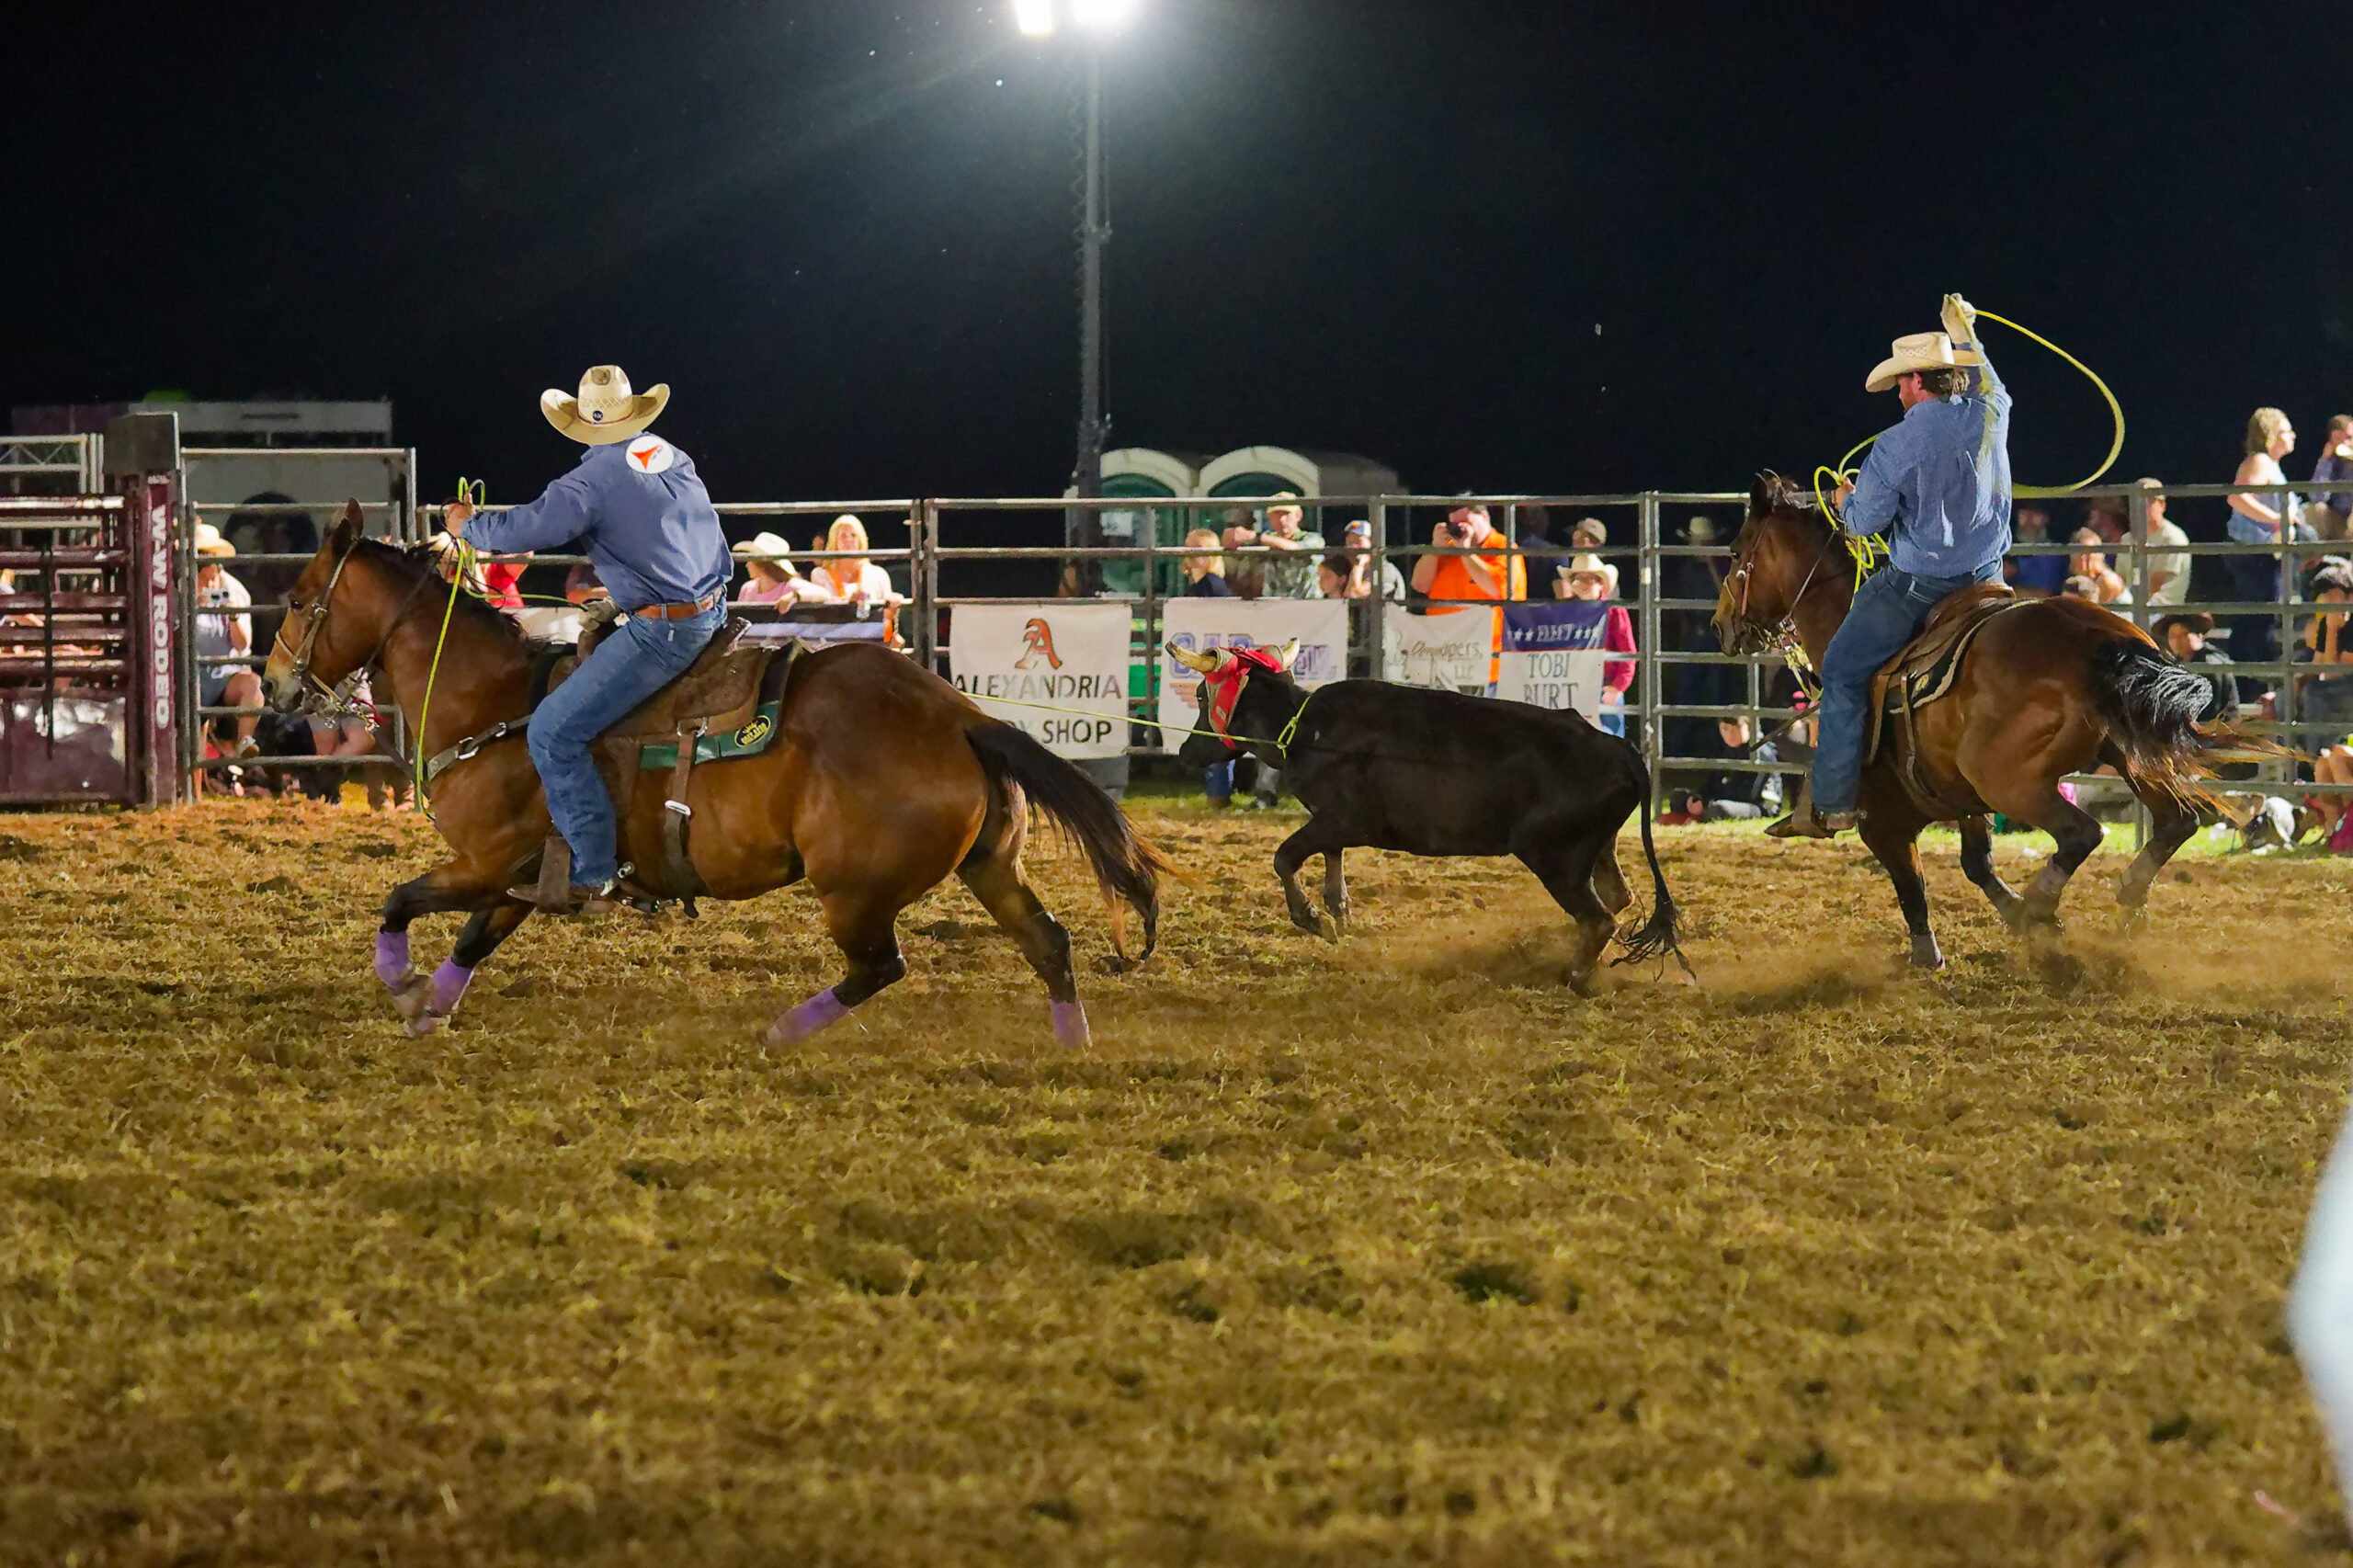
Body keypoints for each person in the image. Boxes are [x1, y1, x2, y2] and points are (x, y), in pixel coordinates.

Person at [446, 364, 731, 913]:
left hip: (665, 629)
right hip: (711, 607)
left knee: (552, 732)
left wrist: (466, 525)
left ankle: (596, 872)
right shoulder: (670, 455)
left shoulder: (591, 479)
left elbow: (526, 530)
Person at [1777, 293, 2011, 838]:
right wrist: (1965, 334)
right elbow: (1990, 381)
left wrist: (1842, 501)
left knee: (1840, 671)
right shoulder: (1990, 416)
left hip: (1918, 584)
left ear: (1915, 383)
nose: (1898, 393)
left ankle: (1831, 802)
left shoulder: (1894, 445)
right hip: (1986, 577)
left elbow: (1862, 525)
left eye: (1902, 383)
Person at [1411, 502, 1527, 691]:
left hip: (1487, 667)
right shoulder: (1447, 550)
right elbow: (1419, 585)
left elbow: (1497, 589)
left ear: (1484, 517)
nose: (1461, 529)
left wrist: (1466, 552)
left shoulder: (1503, 549)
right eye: (1455, 525)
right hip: (1444, 660)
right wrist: (1435, 549)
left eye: (1466, 522)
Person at [2227, 407, 2300, 673]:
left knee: (2259, 616)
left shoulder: (2269, 463)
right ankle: (2249, 682)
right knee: (2258, 617)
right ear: (2272, 435)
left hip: (2260, 550)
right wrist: (2276, 518)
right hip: (2252, 551)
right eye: (2286, 430)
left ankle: (2248, 679)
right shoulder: (2259, 462)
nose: (2293, 435)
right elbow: (2238, 497)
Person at [193, 522, 263, 762]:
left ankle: (245, 741)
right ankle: (194, 795)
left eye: (209, 558)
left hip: (224, 672)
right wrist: (191, 609)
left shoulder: (234, 590)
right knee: (192, 738)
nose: (209, 565)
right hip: (188, 674)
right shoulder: (174, 588)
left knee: (252, 685)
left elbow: (243, 645)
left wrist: (233, 616)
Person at [1554, 552, 1635, 736]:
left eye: (1588, 579)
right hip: (1574, 685)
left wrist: (1618, 687)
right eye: (1577, 579)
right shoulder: (1566, 610)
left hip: (1604, 686)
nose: (1582, 585)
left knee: (1609, 740)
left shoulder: (1614, 611)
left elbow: (1628, 652)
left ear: (1600, 582)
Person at [2154, 612, 2238, 722]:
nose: (2177, 640)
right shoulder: (2178, 664)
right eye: (2172, 636)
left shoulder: (2208, 664)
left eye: (2184, 634)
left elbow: (2209, 711)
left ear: (2199, 636)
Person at [808, 514, 900, 608]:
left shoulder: (878, 575)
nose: (849, 540)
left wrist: (894, 601)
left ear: (861, 540)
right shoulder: (820, 575)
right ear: (835, 541)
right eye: (843, 536)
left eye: (853, 535)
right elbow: (821, 613)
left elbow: (888, 616)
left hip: (871, 621)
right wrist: (849, 602)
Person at [1251, 493, 1325, 599]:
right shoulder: (1267, 538)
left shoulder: (1314, 539)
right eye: (1276, 514)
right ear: (1269, 517)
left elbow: (1294, 548)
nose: (1282, 519)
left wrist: (1258, 537)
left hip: (1308, 605)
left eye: (1287, 513)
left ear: (1298, 515)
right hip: (1272, 607)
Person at [2134, 479, 2192, 607]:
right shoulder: (2129, 538)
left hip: (2162, 608)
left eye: (2150, 501)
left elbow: (2155, 585)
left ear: (2162, 506)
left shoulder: (2173, 538)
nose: (2144, 506)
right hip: (2135, 603)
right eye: (2139, 501)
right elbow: (2122, 578)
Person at [2004, 505, 2067, 597]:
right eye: (2024, 513)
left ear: (2046, 518)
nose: (2028, 519)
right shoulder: (2008, 549)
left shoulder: (2053, 554)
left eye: (2035, 513)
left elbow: (2042, 595)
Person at [735, 532, 811, 607]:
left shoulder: (790, 586)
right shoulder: (748, 588)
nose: (747, 565)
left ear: (760, 563)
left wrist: (794, 595)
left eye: (751, 559)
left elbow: (821, 593)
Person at [1341, 518, 1407, 602]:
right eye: (1349, 543)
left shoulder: (1385, 569)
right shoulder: (1358, 570)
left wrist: (1358, 564)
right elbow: (1348, 598)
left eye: (1358, 541)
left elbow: (1354, 594)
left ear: (1372, 542)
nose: (1353, 547)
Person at [2312, 414, 2353, 543]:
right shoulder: (2332, 461)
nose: (2345, 444)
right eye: (2338, 439)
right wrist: (2325, 460)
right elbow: (2317, 497)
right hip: (2339, 522)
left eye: (2350, 438)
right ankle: (2316, 558)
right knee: (2316, 510)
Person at [2067, 527, 2131, 605]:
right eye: (2079, 554)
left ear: (2100, 555)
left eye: (2088, 554)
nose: (2083, 560)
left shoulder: (2106, 580)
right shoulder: (2081, 583)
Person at [1179, 528, 1231, 597]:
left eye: (1197, 549)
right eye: (1187, 548)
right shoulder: (1197, 586)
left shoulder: (1212, 584)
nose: (1190, 554)